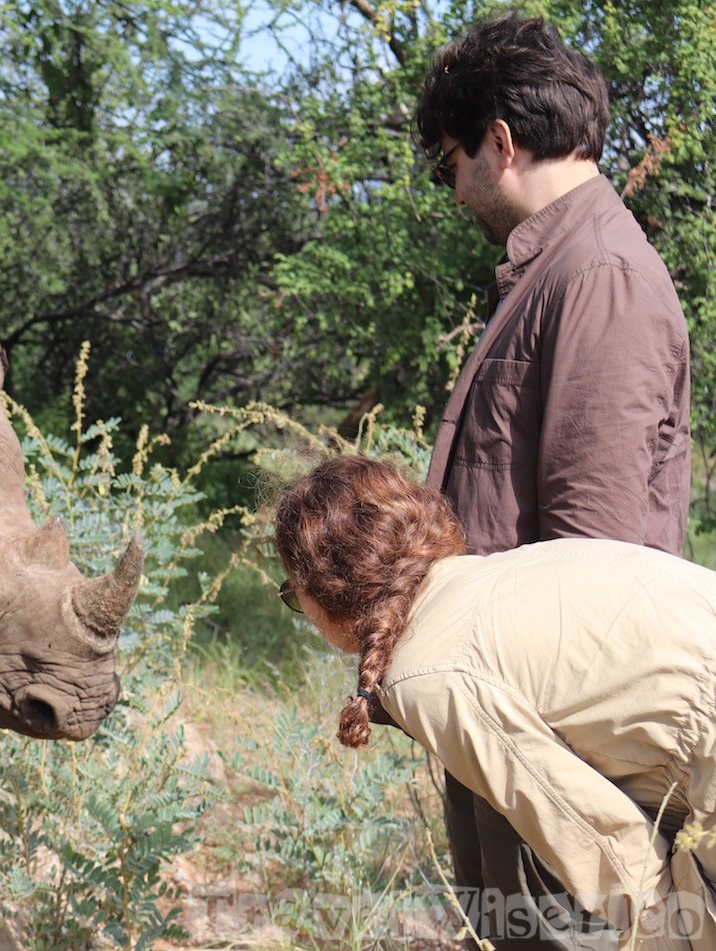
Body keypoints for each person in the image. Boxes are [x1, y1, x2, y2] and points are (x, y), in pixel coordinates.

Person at [416, 13, 691, 947]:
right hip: (519, 717)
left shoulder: (601, 273)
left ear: (500, 142)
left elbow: (595, 558)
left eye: (450, 159)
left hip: (561, 731)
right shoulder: (557, 269)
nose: (453, 189)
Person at [275, 456, 716, 951]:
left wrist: (667, 936)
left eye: (292, 593)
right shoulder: (501, 570)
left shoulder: (428, 674)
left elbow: (597, 838)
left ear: (324, 589)